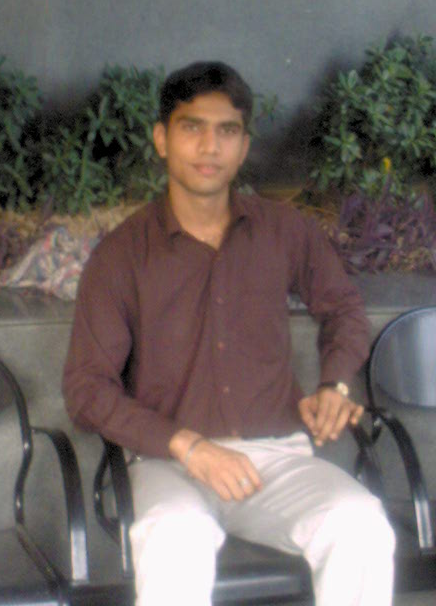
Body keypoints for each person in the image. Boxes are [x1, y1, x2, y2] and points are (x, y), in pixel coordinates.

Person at [63, 61, 395, 606]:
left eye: (227, 131)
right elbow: (86, 388)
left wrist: (335, 384)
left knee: (361, 524)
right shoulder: (121, 256)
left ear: (243, 146)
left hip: (275, 457)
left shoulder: (283, 230)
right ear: (162, 139)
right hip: (169, 462)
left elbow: (343, 308)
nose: (209, 146)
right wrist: (188, 445)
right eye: (192, 127)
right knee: (176, 539)